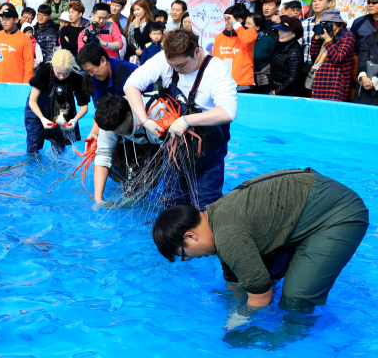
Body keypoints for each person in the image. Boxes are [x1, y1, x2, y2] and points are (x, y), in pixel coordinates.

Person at [152, 168, 369, 313]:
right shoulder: (215, 215)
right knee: (267, 277)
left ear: (190, 236)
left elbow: (261, 298)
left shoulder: (227, 235)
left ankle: (294, 343)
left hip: (339, 213)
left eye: (185, 256)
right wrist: (235, 302)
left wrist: (242, 318)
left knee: (295, 301)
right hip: (313, 198)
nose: (193, 258)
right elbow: (234, 280)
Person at [123, 29, 237, 210]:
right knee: (173, 198)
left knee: (206, 203)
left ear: (197, 52)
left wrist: (187, 120)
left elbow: (228, 112)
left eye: (182, 65)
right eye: (172, 65)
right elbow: (131, 85)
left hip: (209, 145)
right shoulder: (164, 60)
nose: (177, 70)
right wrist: (145, 120)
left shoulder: (217, 70)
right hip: (174, 144)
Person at [24, 50, 89, 153]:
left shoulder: (77, 76)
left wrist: (75, 119)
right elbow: (32, 101)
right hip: (37, 108)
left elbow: (84, 106)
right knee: (34, 144)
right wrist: (42, 118)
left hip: (59, 110)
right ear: (52, 66)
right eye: (58, 73)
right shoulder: (44, 71)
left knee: (59, 147)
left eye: (66, 73)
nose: (62, 77)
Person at [76, 43, 144, 141]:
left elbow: (133, 110)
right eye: (88, 72)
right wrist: (94, 133)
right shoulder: (97, 78)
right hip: (124, 120)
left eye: (92, 70)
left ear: (103, 60)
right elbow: (101, 108)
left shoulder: (126, 73)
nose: (91, 75)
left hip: (141, 117)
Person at [309, 9, 355, 102]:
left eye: (328, 23)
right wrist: (317, 35)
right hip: (319, 82)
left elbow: (337, 58)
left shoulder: (347, 36)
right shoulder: (326, 35)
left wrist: (327, 39)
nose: (325, 27)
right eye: (323, 23)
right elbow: (313, 54)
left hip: (335, 86)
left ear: (338, 24)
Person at [0, 7, 33, 84]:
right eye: (2, 18)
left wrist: (26, 83)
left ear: (16, 20)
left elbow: (28, 64)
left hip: (17, 84)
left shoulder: (25, 39)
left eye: (7, 19)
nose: (4, 22)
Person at [212, 4, 257, 89]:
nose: (226, 23)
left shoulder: (250, 33)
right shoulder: (219, 37)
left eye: (229, 20)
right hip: (223, 83)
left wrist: (236, 24)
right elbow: (215, 60)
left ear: (239, 20)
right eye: (225, 20)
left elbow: (247, 41)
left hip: (243, 83)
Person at [270, 17, 304, 96]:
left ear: (294, 34)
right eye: (279, 29)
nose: (280, 33)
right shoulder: (279, 43)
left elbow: (294, 78)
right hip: (276, 88)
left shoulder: (295, 51)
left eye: (284, 31)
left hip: (289, 94)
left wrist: (277, 91)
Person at [301, 0, 334, 67]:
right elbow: (299, 48)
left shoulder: (335, 24)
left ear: (329, 3)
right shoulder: (305, 24)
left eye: (320, 0)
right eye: (314, 1)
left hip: (328, 68)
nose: (316, 3)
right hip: (307, 67)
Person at [246, 13, 276, 94]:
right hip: (246, 80)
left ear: (258, 27)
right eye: (245, 23)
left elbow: (274, 60)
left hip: (264, 81)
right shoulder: (242, 40)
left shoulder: (267, 40)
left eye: (249, 23)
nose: (246, 26)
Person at [124, 0, 154, 65]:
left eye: (138, 9)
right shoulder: (131, 24)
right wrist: (134, 51)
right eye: (134, 10)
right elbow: (126, 43)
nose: (136, 12)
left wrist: (137, 27)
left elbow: (142, 42)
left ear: (145, 9)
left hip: (144, 59)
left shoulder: (150, 25)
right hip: (130, 59)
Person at [356, 23, 378, 105]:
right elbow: (363, 57)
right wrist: (363, 75)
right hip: (365, 85)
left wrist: (375, 80)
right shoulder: (371, 38)